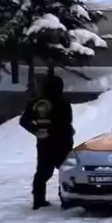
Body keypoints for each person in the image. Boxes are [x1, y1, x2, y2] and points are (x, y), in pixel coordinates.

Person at [19, 74, 74, 210]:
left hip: (44, 142)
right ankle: (65, 199)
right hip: (62, 141)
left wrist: (37, 130)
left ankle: (38, 199)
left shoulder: (36, 102)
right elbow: (67, 121)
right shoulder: (62, 102)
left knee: (43, 171)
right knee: (65, 171)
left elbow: (24, 120)